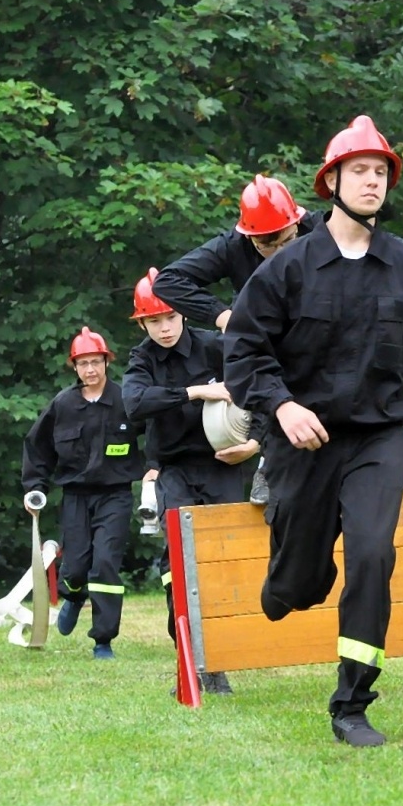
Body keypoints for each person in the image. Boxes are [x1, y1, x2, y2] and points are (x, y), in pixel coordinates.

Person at [224, 115, 403, 748]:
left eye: (380, 172)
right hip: (301, 439)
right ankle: (289, 580)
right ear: (331, 181)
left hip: (379, 437)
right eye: (358, 170)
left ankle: (352, 701)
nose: (371, 181)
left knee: (373, 554)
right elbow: (245, 352)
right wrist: (281, 407)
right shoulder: (287, 269)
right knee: (300, 583)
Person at [123, 266, 261, 693]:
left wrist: (255, 443)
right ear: (143, 323)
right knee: (178, 566)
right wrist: (197, 391)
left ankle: (216, 665)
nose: (164, 328)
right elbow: (134, 403)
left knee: (220, 564)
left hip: (222, 465)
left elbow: (265, 383)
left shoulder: (215, 347)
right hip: (174, 471)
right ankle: (189, 661)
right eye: (154, 321)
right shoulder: (141, 359)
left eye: (170, 317)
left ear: (183, 313)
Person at [154, 176, 321, 507]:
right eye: (265, 245)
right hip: (265, 345)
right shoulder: (233, 245)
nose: (276, 253)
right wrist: (223, 316)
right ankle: (268, 461)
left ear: (297, 222)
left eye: (286, 242)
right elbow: (168, 282)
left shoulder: (321, 229)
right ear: (249, 237)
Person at [22, 327, 143, 659]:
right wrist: (34, 489)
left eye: (96, 362)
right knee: (74, 567)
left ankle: (102, 640)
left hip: (116, 496)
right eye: (83, 363)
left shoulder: (126, 400)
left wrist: (154, 467)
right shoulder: (63, 404)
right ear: (74, 367)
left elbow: (157, 434)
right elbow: (37, 448)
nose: (90, 369)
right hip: (75, 496)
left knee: (104, 564)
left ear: (107, 362)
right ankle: (73, 596)